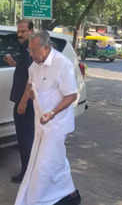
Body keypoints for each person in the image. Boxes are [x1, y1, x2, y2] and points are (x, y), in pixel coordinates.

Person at [14, 31, 81, 205]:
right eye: (29, 50)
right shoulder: (34, 65)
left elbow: (71, 95)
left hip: (57, 124)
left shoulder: (62, 64)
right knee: (54, 160)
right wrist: (22, 102)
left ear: (46, 48)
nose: (31, 54)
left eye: (33, 50)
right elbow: (30, 84)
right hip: (41, 122)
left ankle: (39, 199)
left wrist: (52, 113)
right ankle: (70, 193)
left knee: (44, 164)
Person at [3, 19, 35, 184]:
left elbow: (32, 79)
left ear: (31, 31)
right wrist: (14, 63)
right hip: (22, 100)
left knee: (25, 139)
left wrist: (22, 103)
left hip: (26, 102)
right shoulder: (24, 49)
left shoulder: (31, 49)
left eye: (23, 31)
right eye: (18, 31)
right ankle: (27, 172)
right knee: (24, 138)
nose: (20, 34)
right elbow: (26, 70)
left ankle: (27, 174)